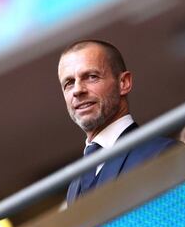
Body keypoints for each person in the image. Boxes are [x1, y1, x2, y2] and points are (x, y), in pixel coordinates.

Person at [57, 40, 178, 205]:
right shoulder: (75, 185)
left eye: (91, 77)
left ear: (124, 83)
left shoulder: (163, 154)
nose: (78, 90)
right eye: (69, 83)